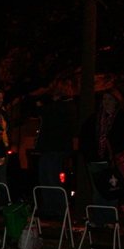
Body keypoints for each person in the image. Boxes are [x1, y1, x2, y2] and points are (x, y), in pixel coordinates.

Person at [79, 89, 124, 227]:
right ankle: (98, 219)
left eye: (110, 99)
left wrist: (115, 149)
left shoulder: (121, 117)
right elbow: (84, 138)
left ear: (116, 101)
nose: (107, 102)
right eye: (104, 99)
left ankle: (110, 220)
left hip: (110, 161)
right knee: (97, 191)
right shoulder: (95, 118)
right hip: (95, 160)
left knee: (111, 190)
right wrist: (89, 154)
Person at [34, 83, 76, 216]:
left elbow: (48, 117)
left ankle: (55, 206)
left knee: (49, 177)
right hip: (57, 148)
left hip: (53, 148)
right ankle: (55, 206)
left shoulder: (58, 108)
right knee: (50, 177)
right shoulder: (68, 107)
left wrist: (40, 107)